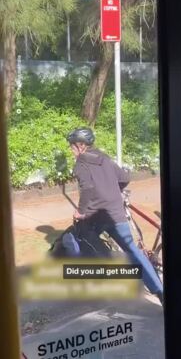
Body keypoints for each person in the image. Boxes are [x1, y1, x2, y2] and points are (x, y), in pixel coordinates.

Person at [67, 127, 163, 304]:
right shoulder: (103, 157)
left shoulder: (81, 163)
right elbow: (124, 178)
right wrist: (113, 192)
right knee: (133, 250)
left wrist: (80, 212)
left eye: (72, 146)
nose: (71, 150)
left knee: (76, 239)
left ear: (81, 146)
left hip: (96, 217)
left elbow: (87, 189)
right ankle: (160, 291)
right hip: (116, 212)